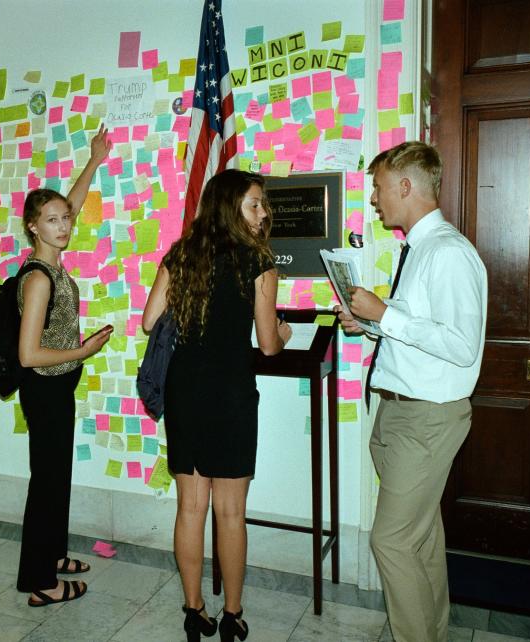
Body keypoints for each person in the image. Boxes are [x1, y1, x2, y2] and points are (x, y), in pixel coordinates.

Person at [336, 141, 487, 642]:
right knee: (420, 540)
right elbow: (424, 333)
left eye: (379, 188)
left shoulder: (447, 253)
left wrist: (385, 314)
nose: (375, 200)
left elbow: (462, 347)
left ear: (405, 186)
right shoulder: (420, 249)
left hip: (426, 419)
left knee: (391, 541)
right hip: (401, 414)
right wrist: (371, 326)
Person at [143, 169, 292, 642]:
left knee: (190, 509)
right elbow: (268, 345)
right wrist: (285, 332)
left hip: (185, 394)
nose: (263, 213)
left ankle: (194, 611)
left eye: (263, 205)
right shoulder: (258, 263)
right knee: (230, 513)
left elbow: (150, 321)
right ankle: (231, 616)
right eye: (254, 204)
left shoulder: (181, 254)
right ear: (230, 206)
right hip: (229, 396)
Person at [15, 125, 114, 606]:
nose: (64, 225)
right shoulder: (37, 278)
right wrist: (84, 350)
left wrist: (93, 161)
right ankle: (41, 583)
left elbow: (71, 202)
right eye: (52, 220)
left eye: (65, 219)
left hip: (59, 387)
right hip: (45, 387)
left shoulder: (54, 265)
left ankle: (53, 555)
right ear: (34, 226)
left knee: (57, 478)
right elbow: (28, 355)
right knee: (46, 482)